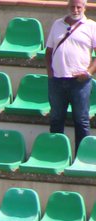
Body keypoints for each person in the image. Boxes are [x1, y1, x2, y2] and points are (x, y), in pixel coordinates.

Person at [45, 0, 96, 148]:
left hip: (80, 82)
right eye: (72, 6)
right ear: (68, 7)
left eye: (79, 7)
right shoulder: (57, 24)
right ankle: (56, 152)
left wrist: (88, 73)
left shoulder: (92, 26)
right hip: (57, 81)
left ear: (84, 8)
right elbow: (48, 52)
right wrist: (50, 73)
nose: (75, 10)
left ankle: (81, 156)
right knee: (56, 119)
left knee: (81, 120)